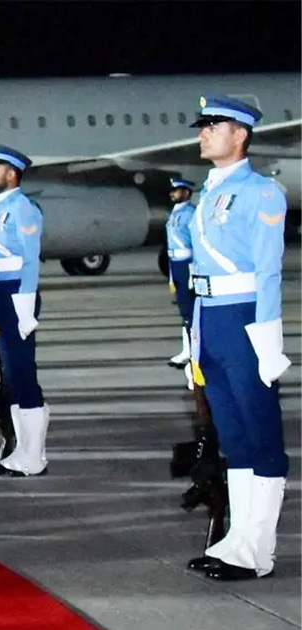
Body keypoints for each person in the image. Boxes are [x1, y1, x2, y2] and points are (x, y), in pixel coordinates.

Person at [184, 95, 290, 581]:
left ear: (241, 134)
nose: (203, 132)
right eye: (202, 125)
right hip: (212, 322)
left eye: (213, 125)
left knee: (261, 435)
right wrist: (193, 342)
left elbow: (268, 272)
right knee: (233, 439)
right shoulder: (208, 192)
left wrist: (269, 343)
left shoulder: (260, 193)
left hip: (246, 322)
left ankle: (258, 551)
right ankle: (237, 541)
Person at [0, 145, 48, 478]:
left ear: (11, 173)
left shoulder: (22, 208)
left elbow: (31, 259)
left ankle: (33, 456)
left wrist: (25, 305)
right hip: (1, 295)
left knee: (22, 373)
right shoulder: (0, 209)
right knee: (12, 376)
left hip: (17, 293)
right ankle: (22, 449)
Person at [166, 178, 198, 368]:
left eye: (176, 190)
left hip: (188, 264)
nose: (172, 193)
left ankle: (193, 351)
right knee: (184, 309)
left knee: (190, 310)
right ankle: (188, 349)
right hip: (176, 264)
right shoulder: (176, 212)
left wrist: (195, 269)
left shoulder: (191, 213)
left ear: (186, 192)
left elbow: (197, 242)